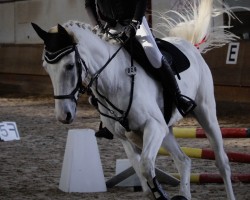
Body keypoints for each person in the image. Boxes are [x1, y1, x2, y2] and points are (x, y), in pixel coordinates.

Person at [85, 0, 196, 131]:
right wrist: (97, 25)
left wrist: (135, 22)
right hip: (109, 27)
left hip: (134, 23)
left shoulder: (135, 22)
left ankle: (179, 99)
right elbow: (89, 4)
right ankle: (106, 119)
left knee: (154, 55)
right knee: (101, 62)